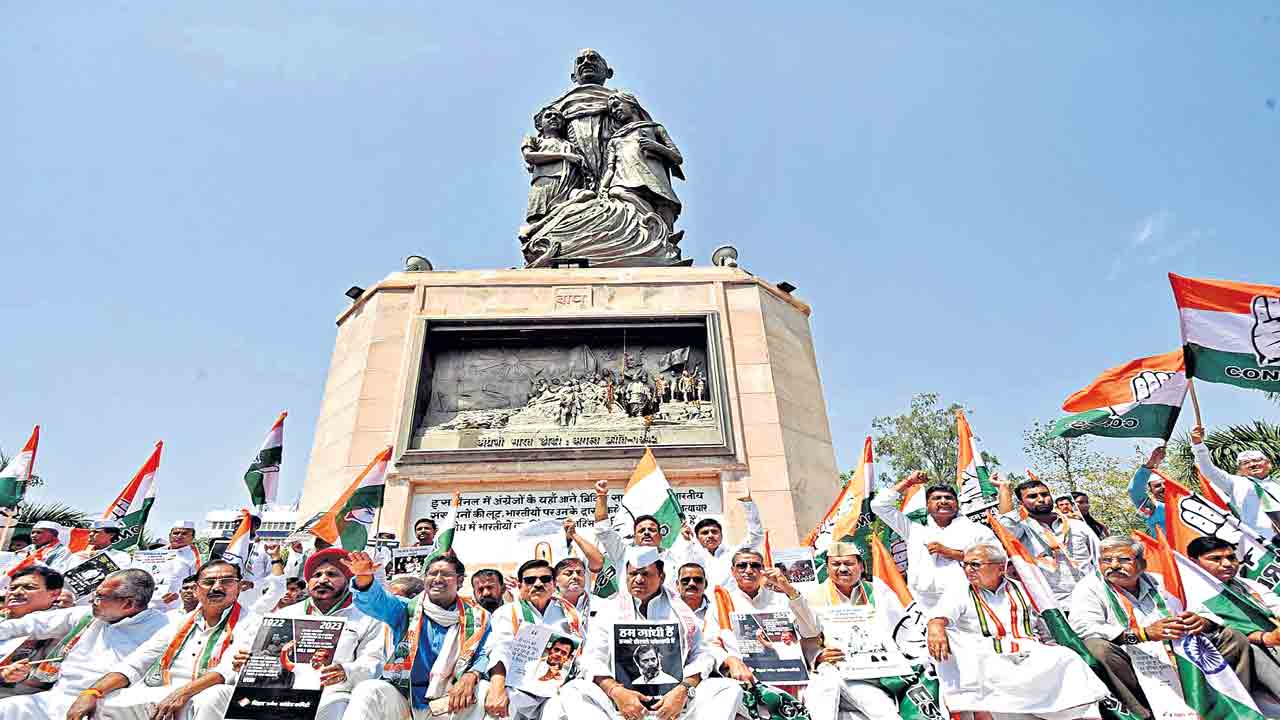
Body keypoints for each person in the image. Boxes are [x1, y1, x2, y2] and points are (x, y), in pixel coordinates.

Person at [1069, 536, 1254, 720]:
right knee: (1096, 648)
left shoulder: (1162, 580)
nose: (1114, 565)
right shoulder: (1089, 587)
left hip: (1178, 649)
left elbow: (1204, 610)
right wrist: (1142, 634)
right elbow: (1083, 627)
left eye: (1124, 560)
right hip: (1131, 655)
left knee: (1232, 637)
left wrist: (1202, 621)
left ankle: (1231, 703)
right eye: (1106, 560)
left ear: (1142, 563)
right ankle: (1142, 714)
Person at [198, 548, 388, 720]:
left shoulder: (368, 617)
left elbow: (373, 661)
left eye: (332, 574)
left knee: (333, 706)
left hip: (329, 694)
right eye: (316, 575)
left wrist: (346, 672)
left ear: (347, 580)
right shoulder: (283, 615)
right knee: (216, 695)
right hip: (272, 693)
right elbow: (244, 652)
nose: (322, 580)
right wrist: (242, 663)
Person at [559, 547, 742, 720]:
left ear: (661, 577)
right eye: (633, 574)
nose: (638, 579)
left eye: (645, 574)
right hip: (622, 705)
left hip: (676, 705)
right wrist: (617, 692)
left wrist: (682, 691)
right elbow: (592, 659)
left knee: (727, 688)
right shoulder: (610, 611)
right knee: (574, 689)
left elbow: (702, 655)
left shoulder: (681, 611)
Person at [930, 542, 1108, 719]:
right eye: (965, 564)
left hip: (1030, 649)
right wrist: (936, 626)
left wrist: (1051, 643)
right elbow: (940, 616)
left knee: (1068, 657)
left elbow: (1043, 624)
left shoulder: (1024, 588)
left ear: (1001, 568)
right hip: (987, 654)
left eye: (975, 564)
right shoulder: (960, 591)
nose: (968, 569)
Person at [64, 560, 256, 720]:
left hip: (210, 696)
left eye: (227, 581)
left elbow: (225, 671)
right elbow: (137, 662)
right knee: (104, 701)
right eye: (208, 582)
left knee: (212, 697)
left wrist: (182, 693)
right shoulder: (178, 622)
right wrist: (92, 692)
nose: (216, 587)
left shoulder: (252, 622)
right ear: (197, 589)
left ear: (239, 587)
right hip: (166, 692)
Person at [0, 569, 169, 718]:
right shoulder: (89, 615)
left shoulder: (163, 628)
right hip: (54, 699)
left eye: (100, 597)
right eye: (95, 595)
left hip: (101, 707)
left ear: (128, 604)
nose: (92, 601)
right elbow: (31, 624)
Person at [345, 552, 492, 719]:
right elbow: (378, 601)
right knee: (368, 691)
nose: (437, 579)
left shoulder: (479, 618)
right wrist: (364, 578)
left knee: (486, 691)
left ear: (459, 581)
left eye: (445, 574)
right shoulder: (405, 610)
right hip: (406, 698)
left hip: (453, 700)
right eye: (432, 574)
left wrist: (471, 675)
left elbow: (484, 654)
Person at [803, 542, 904, 720]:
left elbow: (903, 630)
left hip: (881, 669)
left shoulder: (879, 592)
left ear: (861, 566)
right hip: (840, 669)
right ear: (827, 568)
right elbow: (806, 637)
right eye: (836, 564)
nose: (842, 569)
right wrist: (818, 655)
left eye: (849, 564)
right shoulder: (813, 597)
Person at [870, 471, 997, 613]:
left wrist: (952, 553)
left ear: (957, 503)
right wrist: (908, 482)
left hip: (968, 606)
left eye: (949, 498)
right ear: (927, 505)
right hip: (922, 608)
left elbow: (997, 558)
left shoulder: (976, 530)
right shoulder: (914, 530)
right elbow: (879, 505)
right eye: (936, 498)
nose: (943, 501)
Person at [483, 558, 584, 720]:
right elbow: (499, 649)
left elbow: (583, 653)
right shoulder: (507, 612)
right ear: (520, 586)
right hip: (518, 688)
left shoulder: (570, 614)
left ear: (554, 584)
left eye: (545, 579)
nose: (538, 584)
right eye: (530, 580)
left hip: (560, 687)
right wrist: (497, 687)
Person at [705, 549, 820, 682]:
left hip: (789, 673)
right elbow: (710, 644)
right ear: (733, 571)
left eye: (755, 565)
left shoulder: (783, 599)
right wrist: (730, 660)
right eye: (742, 565)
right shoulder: (721, 603)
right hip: (742, 678)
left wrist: (788, 588)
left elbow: (812, 631)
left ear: (763, 570)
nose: (748, 570)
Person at [1185, 536, 1280, 695]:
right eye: (1215, 559)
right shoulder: (1188, 596)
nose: (1227, 564)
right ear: (1193, 563)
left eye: (1231, 557)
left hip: (1271, 639)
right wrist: (1266, 638)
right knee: (1251, 647)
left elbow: (1275, 606)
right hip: (1230, 656)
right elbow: (1222, 633)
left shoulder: (1247, 584)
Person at [997, 477, 1100, 604]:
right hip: (1054, 605)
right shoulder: (1022, 531)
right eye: (1032, 496)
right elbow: (1006, 524)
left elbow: (1100, 557)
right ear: (1021, 504)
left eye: (1045, 494)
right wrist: (1004, 488)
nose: (1041, 499)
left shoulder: (1077, 525)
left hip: (1094, 598)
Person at [597, 91, 684, 231]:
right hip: (623, 179)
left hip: (653, 177)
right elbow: (610, 169)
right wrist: (603, 187)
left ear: (633, 106)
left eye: (617, 105)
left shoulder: (654, 128)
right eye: (611, 109)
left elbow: (677, 158)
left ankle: (665, 237)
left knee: (663, 208)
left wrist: (655, 146)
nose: (614, 111)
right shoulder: (615, 139)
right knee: (618, 195)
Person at [1192, 424, 1280, 541]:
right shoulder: (1235, 483)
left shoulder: (1277, 484)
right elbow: (1209, 470)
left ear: (1269, 464)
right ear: (1239, 469)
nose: (1253, 464)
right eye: (1246, 463)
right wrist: (1198, 445)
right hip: (1259, 542)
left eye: (1257, 460)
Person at [667, 491, 764, 589]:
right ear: (697, 537)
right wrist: (687, 541)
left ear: (721, 535)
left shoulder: (734, 554)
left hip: (729, 602)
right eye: (705, 533)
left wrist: (748, 505)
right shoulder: (691, 554)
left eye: (714, 532)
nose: (710, 535)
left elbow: (755, 536)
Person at [0, 567, 66, 698]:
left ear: (54, 594)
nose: (17, 592)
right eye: (12, 588)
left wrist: (16, 675)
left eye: (29, 587)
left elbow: (46, 677)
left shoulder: (60, 627)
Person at [520, 106, 584, 232]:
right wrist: (563, 156)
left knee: (585, 197)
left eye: (557, 116)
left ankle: (551, 219)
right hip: (544, 183)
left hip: (568, 185)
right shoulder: (535, 139)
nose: (553, 118)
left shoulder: (569, 145)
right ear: (539, 125)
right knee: (538, 218)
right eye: (548, 116)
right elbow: (529, 156)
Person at [147, 522, 202, 610]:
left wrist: (179, 595)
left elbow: (196, 582)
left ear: (192, 538)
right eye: (176, 533)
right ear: (170, 535)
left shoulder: (195, 556)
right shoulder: (155, 553)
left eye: (184, 534)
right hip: (148, 602)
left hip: (175, 605)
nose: (179, 536)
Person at [5, 521, 74, 577]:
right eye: (32, 533)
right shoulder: (31, 547)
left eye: (39, 532)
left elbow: (56, 573)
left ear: (53, 536)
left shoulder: (62, 551)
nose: (34, 535)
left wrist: (33, 561)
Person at [1127, 446, 1168, 536]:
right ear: (1151, 491)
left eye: (1166, 484)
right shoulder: (1152, 507)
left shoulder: (1182, 502)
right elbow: (1134, 490)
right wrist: (1151, 463)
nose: (1163, 487)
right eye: (1157, 486)